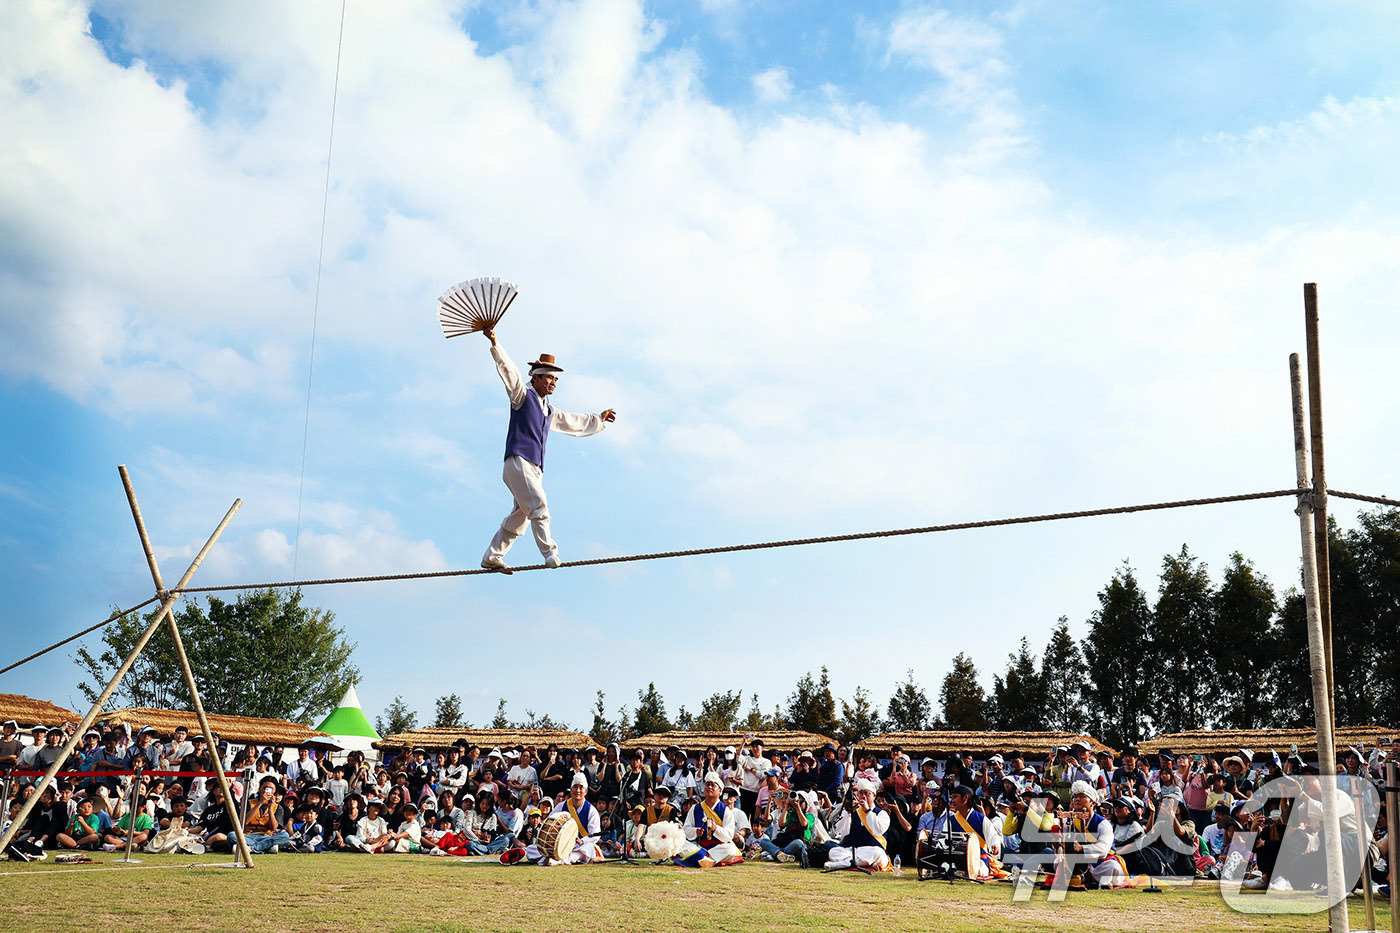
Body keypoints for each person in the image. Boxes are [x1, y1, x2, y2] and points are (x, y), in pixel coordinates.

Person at [478, 326, 617, 571]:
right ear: (536, 378)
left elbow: (573, 421)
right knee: (540, 506)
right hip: (518, 461)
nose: (553, 383)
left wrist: (599, 419)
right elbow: (509, 371)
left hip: (534, 468)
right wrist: (495, 343)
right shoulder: (522, 396)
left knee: (520, 517)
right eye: (549, 378)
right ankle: (551, 554)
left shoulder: (549, 410)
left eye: (555, 379)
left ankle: (492, 556)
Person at [1050, 781, 1128, 888]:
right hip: (1078, 862)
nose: (1077, 799)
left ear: (1093, 803)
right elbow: (1063, 848)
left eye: (1082, 796)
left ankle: (1103, 883)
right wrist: (1057, 845)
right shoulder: (1068, 821)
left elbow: (1103, 849)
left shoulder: (1103, 824)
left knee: (1113, 867)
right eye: (1075, 797)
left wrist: (1081, 848)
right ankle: (1085, 879)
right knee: (1057, 862)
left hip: (1100, 862)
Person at [525, 773, 603, 864]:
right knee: (531, 849)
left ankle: (559, 860)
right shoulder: (561, 806)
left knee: (588, 848)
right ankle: (556, 858)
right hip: (559, 844)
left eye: (581, 788)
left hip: (578, 845)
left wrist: (582, 840)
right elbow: (549, 824)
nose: (578, 790)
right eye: (575, 787)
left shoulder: (591, 810)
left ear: (585, 791)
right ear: (571, 789)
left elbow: (595, 834)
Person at [826, 778, 891, 871]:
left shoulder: (881, 813)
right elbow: (842, 831)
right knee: (833, 851)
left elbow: (878, 831)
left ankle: (841, 864)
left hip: (871, 851)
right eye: (861, 793)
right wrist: (848, 813)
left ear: (874, 796)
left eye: (867, 793)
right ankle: (857, 863)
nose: (864, 796)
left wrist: (867, 811)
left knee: (877, 853)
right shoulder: (854, 811)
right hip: (855, 851)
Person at [683, 773, 742, 865]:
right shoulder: (695, 808)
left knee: (730, 850)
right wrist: (695, 831)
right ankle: (707, 858)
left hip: (718, 847)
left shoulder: (725, 810)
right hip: (698, 846)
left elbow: (729, 835)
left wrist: (716, 829)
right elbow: (686, 829)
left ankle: (704, 858)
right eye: (707, 785)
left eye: (713, 785)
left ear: (720, 791)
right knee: (681, 844)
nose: (709, 787)